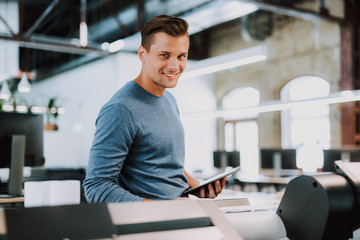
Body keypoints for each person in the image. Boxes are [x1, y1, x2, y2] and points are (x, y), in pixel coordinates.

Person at [83, 14, 226, 202]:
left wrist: (193, 185)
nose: (174, 66)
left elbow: (165, 163)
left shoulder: (169, 100)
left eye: (181, 56)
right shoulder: (121, 109)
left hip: (179, 215)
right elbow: (96, 187)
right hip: (149, 224)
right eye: (165, 55)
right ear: (142, 54)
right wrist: (159, 209)